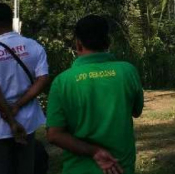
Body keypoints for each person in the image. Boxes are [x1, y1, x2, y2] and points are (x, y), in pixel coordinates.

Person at [46, 14, 144, 174]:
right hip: (120, 167)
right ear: (108, 41)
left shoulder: (62, 81)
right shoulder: (128, 71)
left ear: (78, 44)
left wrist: (94, 152)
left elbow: (54, 135)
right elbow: (136, 111)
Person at [0, 3, 50, 174]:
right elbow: (42, 79)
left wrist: (11, 121)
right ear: (11, 21)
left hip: (0, 124)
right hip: (28, 122)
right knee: (26, 168)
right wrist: (19, 105)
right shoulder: (34, 46)